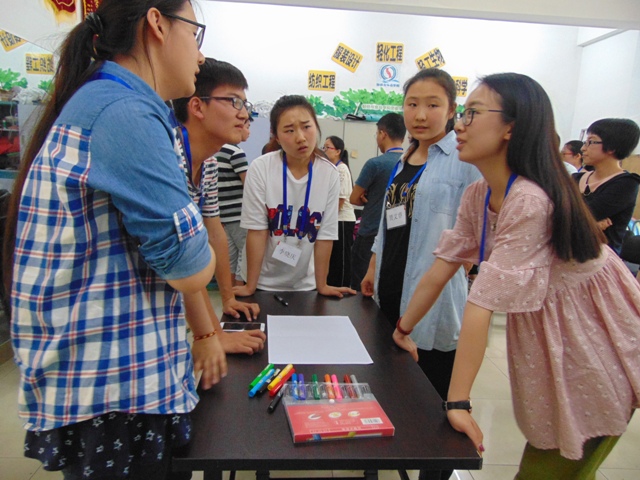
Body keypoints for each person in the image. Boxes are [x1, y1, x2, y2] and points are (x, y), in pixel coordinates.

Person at [2, 1, 228, 479]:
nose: (201, 55)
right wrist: (200, 248)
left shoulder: (112, 101)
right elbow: (189, 267)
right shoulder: (124, 112)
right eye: (195, 32)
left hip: (114, 382)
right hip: (114, 392)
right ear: (157, 23)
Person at [394, 73, 640, 479]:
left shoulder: (530, 199)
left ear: (511, 126)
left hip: (594, 344)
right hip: (558, 339)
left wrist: (457, 402)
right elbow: (442, 267)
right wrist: (404, 328)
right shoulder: (480, 194)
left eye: (472, 113)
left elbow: (481, 303)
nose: (460, 125)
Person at [361, 68, 480, 397]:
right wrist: (373, 265)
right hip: (389, 285)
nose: (420, 115)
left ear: (452, 110)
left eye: (433, 104)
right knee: (389, 388)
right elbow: (390, 221)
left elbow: (477, 231)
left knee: (426, 392)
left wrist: (461, 268)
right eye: (412, 104)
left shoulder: (465, 159)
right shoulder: (406, 157)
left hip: (432, 298)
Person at [172, 58, 265, 355]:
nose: (244, 114)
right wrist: (211, 334)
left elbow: (215, 232)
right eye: (234, 101)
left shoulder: (209, 162)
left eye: (245, 104)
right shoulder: (169, 156)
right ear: (197, 106)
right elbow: (182, 257)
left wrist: (228, 300)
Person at [234, 95, 356, 297]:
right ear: (276, 136)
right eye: (289, 130)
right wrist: (251, 286)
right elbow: (257, 231)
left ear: (316, 127)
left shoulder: (329, 174)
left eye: (306, 127)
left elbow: (325, 235)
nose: (300, 137)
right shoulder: (261, 168)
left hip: (305, 284)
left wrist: (322, 285)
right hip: (262, 280)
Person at [349, 113, 406, 291]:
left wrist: (368, 197)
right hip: (397, 234)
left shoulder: (375, 164)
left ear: (382, 134)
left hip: (370, 232)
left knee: (360, 285)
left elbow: (353, 198)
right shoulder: (411, 163)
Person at [573, 118, 640, 256]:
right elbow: (553, 215)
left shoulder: (625, 184)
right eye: (585, 142)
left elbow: (580, 216)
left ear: (612, 147)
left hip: (600, 258)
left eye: (591, 142)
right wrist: (592, 226)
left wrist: (580, 221)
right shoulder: (576, 178)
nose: (583, 148)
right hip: (566, 252)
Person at [216, 118, 251, 287]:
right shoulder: (235, 152)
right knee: (245, 256)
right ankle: (240, 294)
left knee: (230, 258)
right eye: (247, 127)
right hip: (240, 214)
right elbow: (249, 185)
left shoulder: (216, 150)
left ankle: (229, 295)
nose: (249, 132)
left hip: (223, 215)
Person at [323, 135, 356, 287]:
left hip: (342, 220)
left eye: (327, 147)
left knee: (341, 259)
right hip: (333, 219)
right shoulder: (331, 168)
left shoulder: (342, 169)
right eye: (323, 147)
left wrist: (326, 220)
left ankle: (343, 287)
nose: (324, 150)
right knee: (333, 258)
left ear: (338, 151)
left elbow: (340, 200)